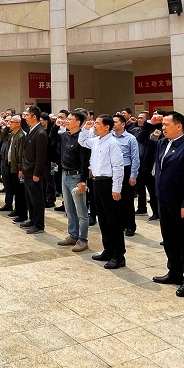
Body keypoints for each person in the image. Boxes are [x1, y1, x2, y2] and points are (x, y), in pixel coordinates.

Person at [151, 111, 184, 297]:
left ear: (179, 126)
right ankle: (174, 272)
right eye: (162, 124)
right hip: (163, 199)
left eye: (166, 124)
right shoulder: (163, 143)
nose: (162, 127)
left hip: (180, 202)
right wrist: (151, 123)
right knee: (169, 238)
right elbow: (143, 139)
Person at [79, 114, 126, 269]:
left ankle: (119, 255)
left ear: (107, 127)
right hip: (96, 183)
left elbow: (118, 167)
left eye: (98, 123)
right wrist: (85, 128)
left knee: (113, 220)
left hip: (108, 183)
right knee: (103, 220)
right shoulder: (96, 141)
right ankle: (108, 250)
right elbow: (82, 141)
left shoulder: (113, 143)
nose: (95, 125)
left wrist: (116, 188)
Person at [58, 111, 92, 252]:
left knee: (81, 211)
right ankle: (73, 235)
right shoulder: (65, 136)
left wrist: (82, 181)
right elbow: (52, 139)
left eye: (70, 119)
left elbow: (85, 162)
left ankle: (83, 239)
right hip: (65, 175)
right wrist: (55, 126)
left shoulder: (82, 139)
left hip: (76, 177)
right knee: (69, 209)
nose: (66, 121)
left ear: (78, 122)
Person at [110, 115, 140, 236]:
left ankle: (130, 226)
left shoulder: (130, 138)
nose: (113, 124)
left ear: (123, 124)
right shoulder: (109, 137)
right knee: (114, 199)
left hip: (125, 169)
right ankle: (119, 224)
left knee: (126, 200)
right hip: (112, 170)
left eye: (115, 122)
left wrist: (133, 175)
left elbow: (135, 158)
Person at [21, 106, 49, 234]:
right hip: (27, 170)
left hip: (34, 172)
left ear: (34, 116)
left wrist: (37, 173)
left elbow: (41, 156)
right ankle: (32, 219)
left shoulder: (40, 133)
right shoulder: (31, 129)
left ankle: (39, 224)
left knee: (37, 199)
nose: (25, 118)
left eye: (27, 115)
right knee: (29, 198)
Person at [5, 116, 28, 224]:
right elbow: (3, 136)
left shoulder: (21, 135)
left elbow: (21, 153)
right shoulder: (13, 134)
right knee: (14, 190)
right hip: (11, 165)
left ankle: (22, 214)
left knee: (20, 192)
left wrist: (20, 168)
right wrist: (6, 127)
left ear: (18, 123)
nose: (9, 123)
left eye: (12, 122)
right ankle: (17, 210)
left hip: (17, 167)